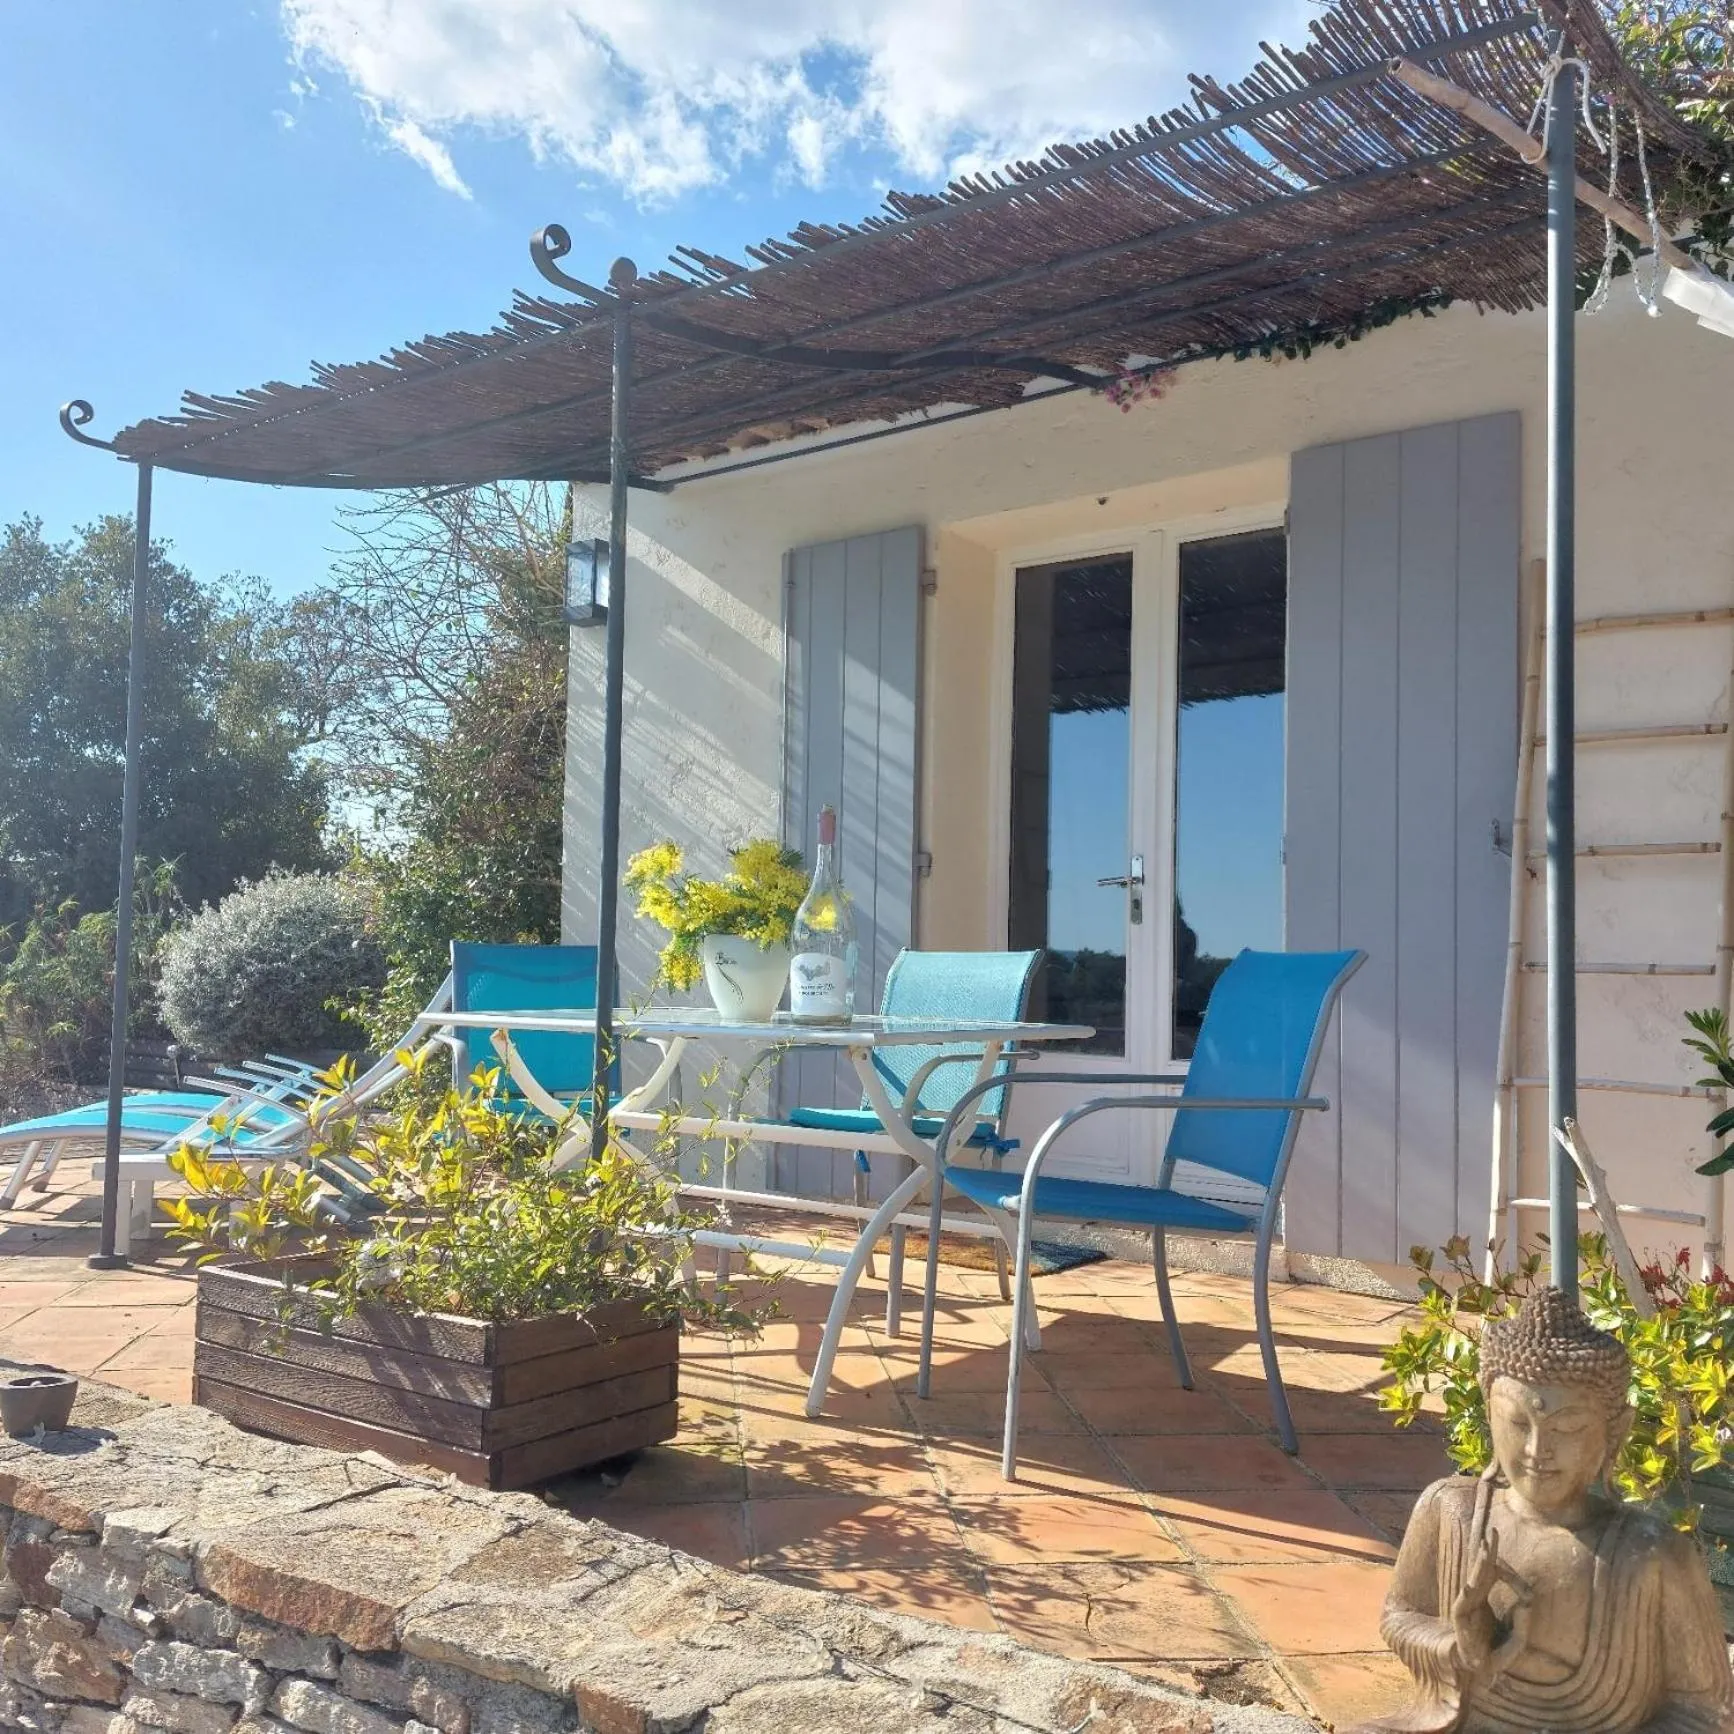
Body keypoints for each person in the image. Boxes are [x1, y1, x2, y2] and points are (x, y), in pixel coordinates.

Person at [1354, 1286, 1734, 1734]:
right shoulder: (1450, 1511)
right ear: (1488, 1414)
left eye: (1568, 1427)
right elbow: (1399, 1617)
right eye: (1517, 1423)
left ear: (1616, 1431)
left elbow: (1707, 1713)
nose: (1538, 1450)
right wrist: (1462, 1643)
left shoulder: (1653, 1556)